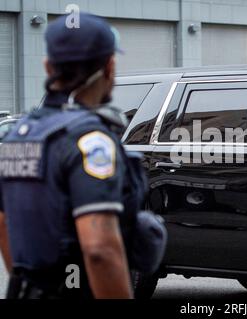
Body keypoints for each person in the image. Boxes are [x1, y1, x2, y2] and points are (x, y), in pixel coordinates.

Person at [0, 13, 149, 299]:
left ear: (47, 67)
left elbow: (4, 223)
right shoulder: (91, 141)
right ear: (110, 66)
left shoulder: (18, 134)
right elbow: (100, 249)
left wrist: (30, 282)